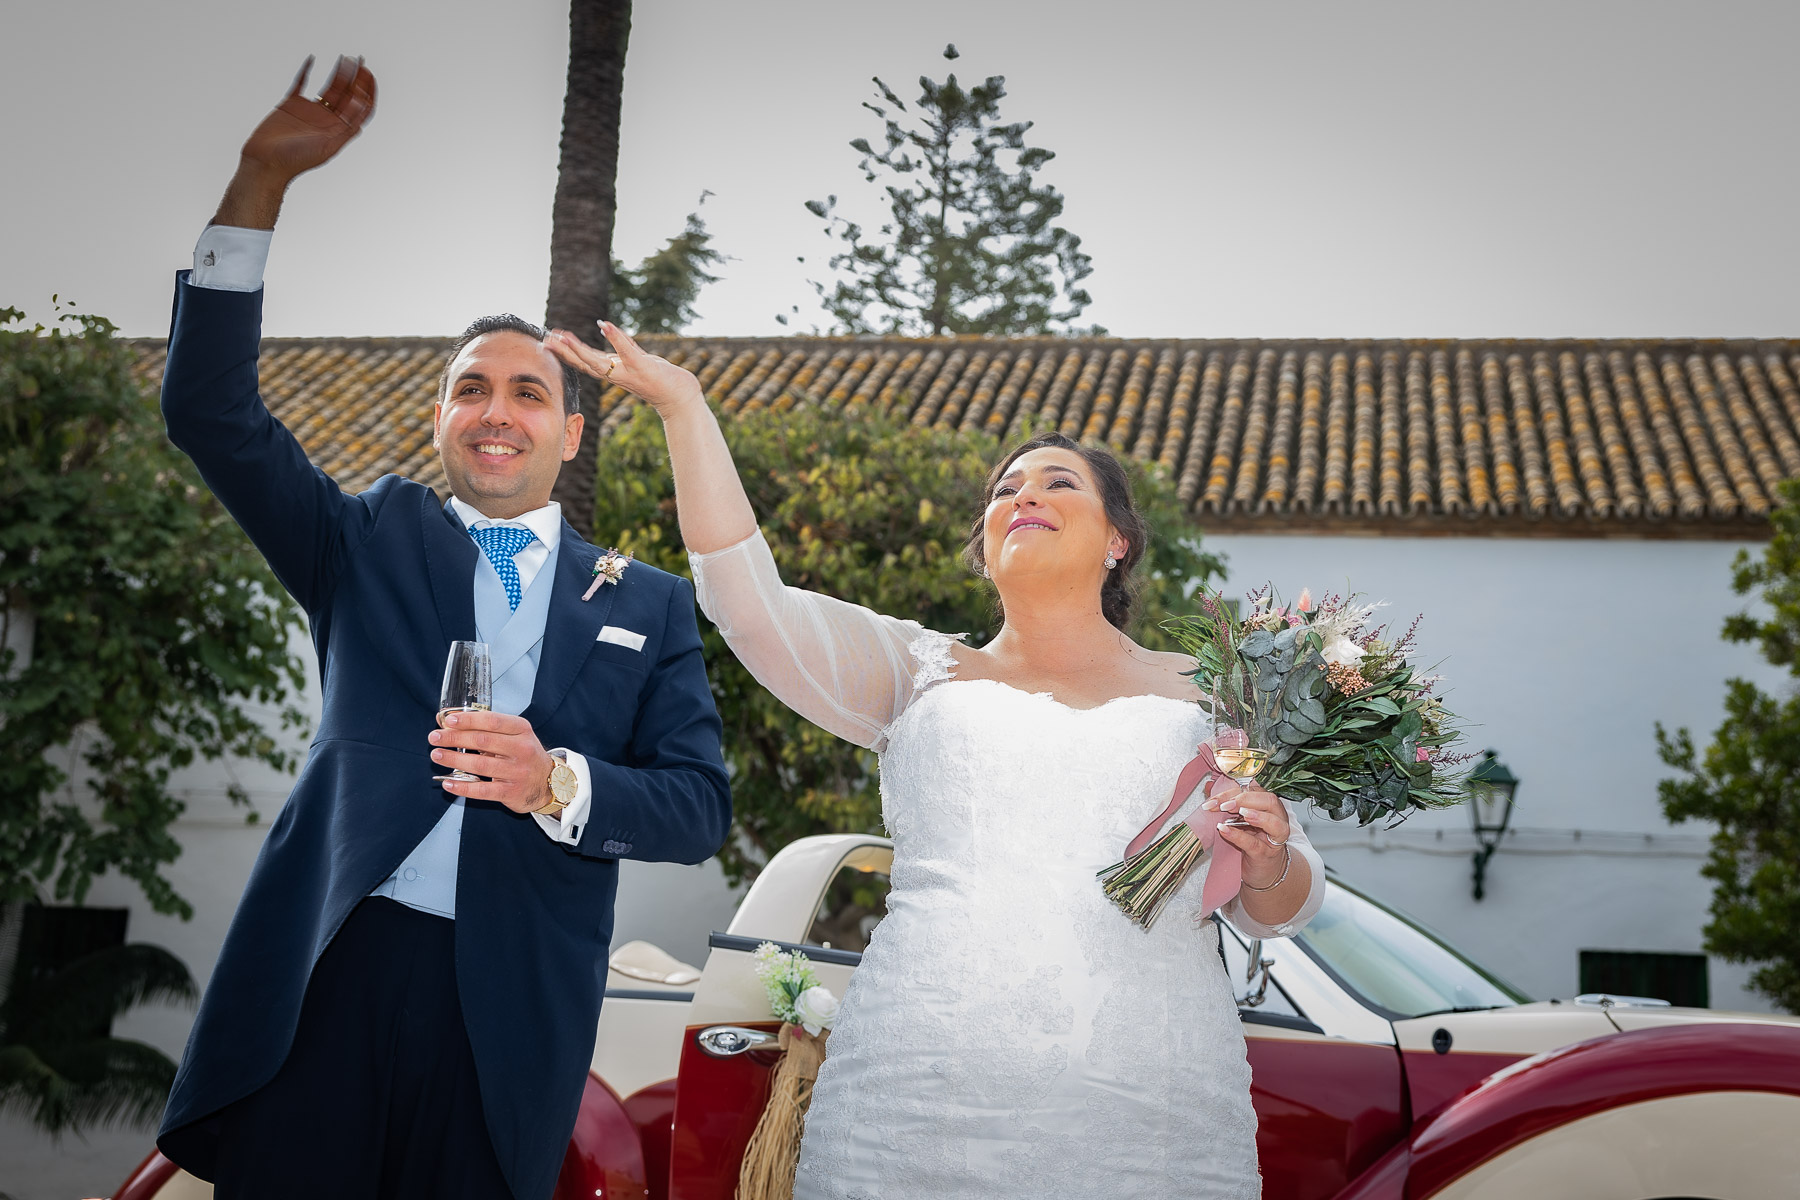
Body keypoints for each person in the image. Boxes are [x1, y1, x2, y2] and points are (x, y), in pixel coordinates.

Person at [547, 325, 1327, 1197]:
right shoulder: (914, 671)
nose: (1023, 495)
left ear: (1119, 539)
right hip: (916, 1105)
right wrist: (684, 407)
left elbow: (1280, 908)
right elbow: (745, 600)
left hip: (1154, 1116)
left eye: (1058, 482)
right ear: (986, 547)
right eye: (1005, 490)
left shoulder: (1214, 691)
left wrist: (1269, 859)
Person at [154, 58, 732, 1200]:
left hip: (507, 1017)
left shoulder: (650, 602)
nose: (496, 411)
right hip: (332, 973)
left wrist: (555, 781)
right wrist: (261, 177)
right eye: (472, 388)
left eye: (528, 392)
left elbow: (698, 804)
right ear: (441, 420)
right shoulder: (364, 538)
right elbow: (209, 410)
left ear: (570, 433)